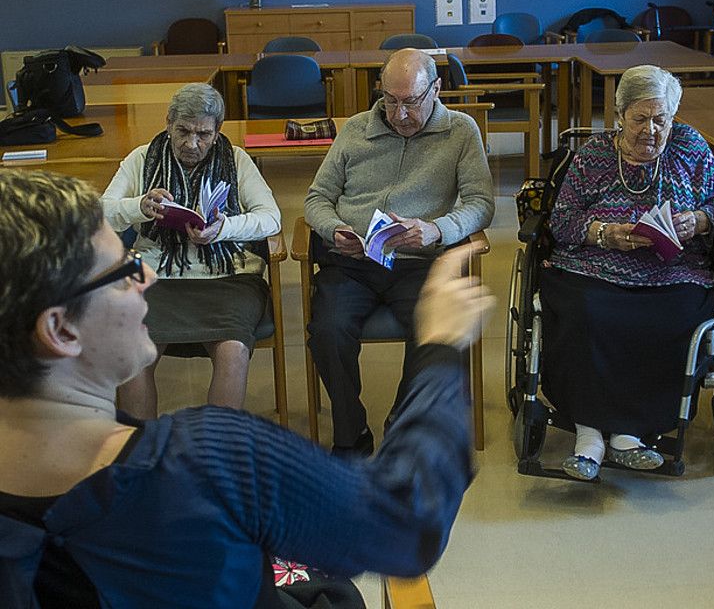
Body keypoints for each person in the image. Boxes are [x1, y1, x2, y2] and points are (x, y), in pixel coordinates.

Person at [0, 168, 490, 606]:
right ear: (61, 330)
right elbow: (407, 523)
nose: (147, 276)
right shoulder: (209, 461)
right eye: (124, 270)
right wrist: (439, 347)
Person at [541, 65, 714, 480]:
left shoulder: (690, 148)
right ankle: (589, 437)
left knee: (672, 319)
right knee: (585, 313)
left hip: (673, 273)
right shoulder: (593, 154)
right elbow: (561, 220)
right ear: (619, 115)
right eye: (640, 119)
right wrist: (603, 233)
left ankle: (629, 435)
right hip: (592, 267)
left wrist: (699, 221)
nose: (651, 130)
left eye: (661, 119)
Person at [305, 48, 494, 456]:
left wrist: (435, 230)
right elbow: (317, 197)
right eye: (389, 100)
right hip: (354, 260)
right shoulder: (355, 129)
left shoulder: (460, 131)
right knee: (327, 331)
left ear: (436, 90)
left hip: (420, 262)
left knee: (435, 332)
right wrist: (333, 228)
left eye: (410, 101)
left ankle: (403, 421)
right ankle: (351, 433)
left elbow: (480, 203)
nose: (398, 113)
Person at [100, 83, 280, 418]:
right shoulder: (141, 158)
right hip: (157, 274)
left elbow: (271, 218)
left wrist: (223, 229)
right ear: (168, 122)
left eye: (203, 134)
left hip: (228, 277)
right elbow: (102, 212)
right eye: (182, 131)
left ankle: (215, 452)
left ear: (217, 131)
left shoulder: (237, 159)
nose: (191, 143)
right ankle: (142, 450)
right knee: (131, 351)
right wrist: (140, 205)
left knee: (233, 350)